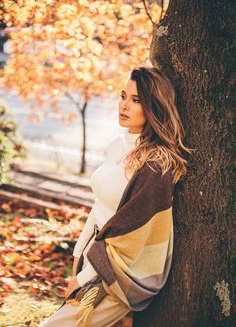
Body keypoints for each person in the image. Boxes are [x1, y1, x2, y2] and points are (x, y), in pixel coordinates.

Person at [39, 66, 191, 327]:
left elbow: (134, 235)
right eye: (123, 96)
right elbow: (99, 207)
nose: (124, 106)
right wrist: (78, 258)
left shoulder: (156, 165)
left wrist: (84, 278)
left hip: (118, 276)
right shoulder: (117, 145)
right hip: (92, 260)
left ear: (154, 106)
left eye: (136, 100)